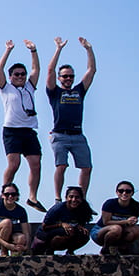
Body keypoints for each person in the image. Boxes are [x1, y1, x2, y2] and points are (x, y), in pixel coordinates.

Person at [0, 39, 46, 212]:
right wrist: (7, 50)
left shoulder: (29, 87)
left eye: (22, 74)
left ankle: (32, 197)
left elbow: (36, 69)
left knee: (35, 163)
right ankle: (5, 192)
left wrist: (33, 50)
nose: (20, 77)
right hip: (11, 130)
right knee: (14, 164)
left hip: (29, 130)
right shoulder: (6, 88)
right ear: (11, 77)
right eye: (16, 74)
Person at [46, 37, 96, 201]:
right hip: (60, 135)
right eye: (65, 76)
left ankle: (81, 199)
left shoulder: (79, 91)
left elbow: (91, 70)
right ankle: (58, 198)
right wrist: (58, 49)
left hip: (78, 135)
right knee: (61, 166)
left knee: (87, 167)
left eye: (70, 76)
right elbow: (50, 71)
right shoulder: (55, 92)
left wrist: (88, 49)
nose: (68, 79)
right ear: (60, 78)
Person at [32, 186, 94, 255]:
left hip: (69, 231)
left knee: (84, 234)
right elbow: (45, 227)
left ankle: (70, 251)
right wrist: (61, 224)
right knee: (68, 231)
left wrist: (79, 226)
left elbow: (79, 222)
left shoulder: (83, 208)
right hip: (46, 234)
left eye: (77, 197)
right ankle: (50, 250)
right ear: (66, 198)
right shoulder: (57, 209)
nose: (74, 200)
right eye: (71, 197)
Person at [91, 181, 139, 255]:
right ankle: (105, 249)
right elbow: (106, 222)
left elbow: (131, 223)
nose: (124, 193)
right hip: (101, 231)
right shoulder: (110, 204)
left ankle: (122, 247)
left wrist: (133, 221)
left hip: (120, 232)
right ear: (117, 192)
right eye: (121, 191)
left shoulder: (136, 206)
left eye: (128, 191)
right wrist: (125, 222)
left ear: (132, 193)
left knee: (136, 230)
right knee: (116, 228)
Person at [0, 183, 31, 256]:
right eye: (7, 194)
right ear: (2, 195)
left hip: (9, 237)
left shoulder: (21, 210)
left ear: (17, 196)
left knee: (21, 237)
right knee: (7, 222)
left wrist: (27, 246)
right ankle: (4, 253)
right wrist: (6, 245)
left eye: (13, 194)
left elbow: (26, 232)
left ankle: (16, 258)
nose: (10, 196)